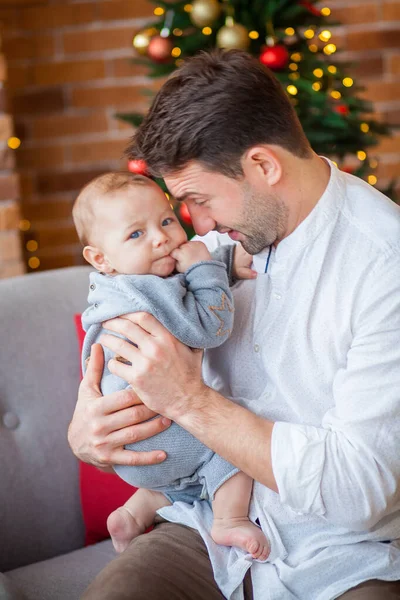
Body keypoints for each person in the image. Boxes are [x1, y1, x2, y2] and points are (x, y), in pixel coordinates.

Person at [68, 49, 400, 600]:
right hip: (201, 521)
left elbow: (356, 491)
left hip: (341, 553)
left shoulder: (384, 266)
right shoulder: (218, 244)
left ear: (263, 166)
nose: (192, 227)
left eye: (197, 199)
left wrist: (188, 401)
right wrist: (87, 434)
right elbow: (111, 376)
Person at [72, 170, 270, 559]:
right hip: (154, 429)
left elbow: (180, 286)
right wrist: (207, 269)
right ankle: (229, 521)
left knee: (172, 473)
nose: (161, 237)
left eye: (165, 220)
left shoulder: (114, 289)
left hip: (132, 442)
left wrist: (222, 263)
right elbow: (210, 326)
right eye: (136, 234)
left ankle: (134, 511)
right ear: (100, 258)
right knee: (234, 444)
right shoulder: (146, 291)